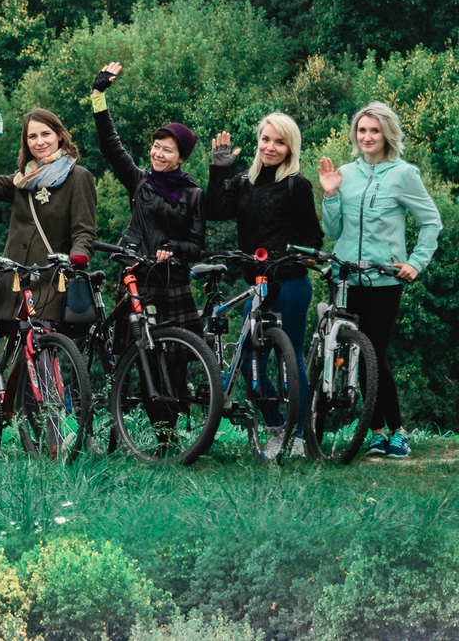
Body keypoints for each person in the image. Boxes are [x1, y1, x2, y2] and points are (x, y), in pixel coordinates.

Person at [318, 101, 441, 459]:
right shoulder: (345, 173)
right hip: (344, 277)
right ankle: (375, 432)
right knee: (350, 353)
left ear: (387, 134)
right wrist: (330, 194)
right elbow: (332, 231)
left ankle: (396, 431)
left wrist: (415, 263)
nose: (367, 136)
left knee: (374, 354)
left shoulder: (404, 174)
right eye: (362, 130)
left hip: (384, 281)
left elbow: (431, 221)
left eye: (374, 130)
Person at [206, 113, 324, 456]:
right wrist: (218, 170)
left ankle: (299, 436)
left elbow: (312, 235)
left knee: (291, 360)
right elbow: (214, 210)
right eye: (266, 139)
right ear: (258, 141)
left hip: (290, 283)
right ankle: (276, 426)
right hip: (257, 287)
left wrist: (301, 256)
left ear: (290, 147)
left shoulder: (296, 185)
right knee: (247, 362)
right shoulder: (243, 182)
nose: (271, 147)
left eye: (280, 142)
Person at [91, 62, 204, 333]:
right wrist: (98, 96)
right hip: (136, 275)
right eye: (156, 147)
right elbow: (111, 145)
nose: (158, 154)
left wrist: (173, 247)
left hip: (173, 281)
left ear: (181, 158)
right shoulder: (140, 181)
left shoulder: (193, 194)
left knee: (178, 354)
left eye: (167, 150)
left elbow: (198, 247)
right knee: (136, 350)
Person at [0, 108, 97, 335]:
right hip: (14, 282)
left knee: (41, 349)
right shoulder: (22, 179)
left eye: (45, 134)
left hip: (50, 283)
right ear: (26, 142)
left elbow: (84, 230)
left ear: (59, 136)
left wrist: (79, 254)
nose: (39, 142)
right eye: (32, 136)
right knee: (13, 353)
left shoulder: (78, 177)